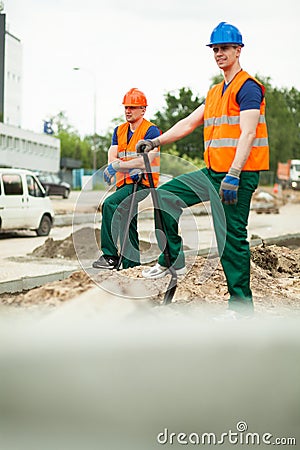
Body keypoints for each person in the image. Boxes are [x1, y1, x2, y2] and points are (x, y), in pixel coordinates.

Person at [136, 22, 269, 316]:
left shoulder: (248, 88)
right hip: (212, 173)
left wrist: (234, 174)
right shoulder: (214, 93)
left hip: (238, 176)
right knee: (165, 196)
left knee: (230, 239)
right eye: (215, 49)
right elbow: (187, 123)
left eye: (224, 48)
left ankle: (241, 308)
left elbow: (247, 134)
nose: (219, 53)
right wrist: (155, 140)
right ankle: (173, 257)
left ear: (238, 50)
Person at [92, 88, 161, 270]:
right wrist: (119, 165)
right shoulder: (119, 131)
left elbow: (146, 161)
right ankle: (132, 265)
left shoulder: (151, 131)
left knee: (109, 205)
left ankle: (110, 256)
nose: (128, 111)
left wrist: (118, 165)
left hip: (142, 184)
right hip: (123, 183)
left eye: (132, 107)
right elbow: (111, 157)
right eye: (126, 107)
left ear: (143, 109)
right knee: (127, 220)